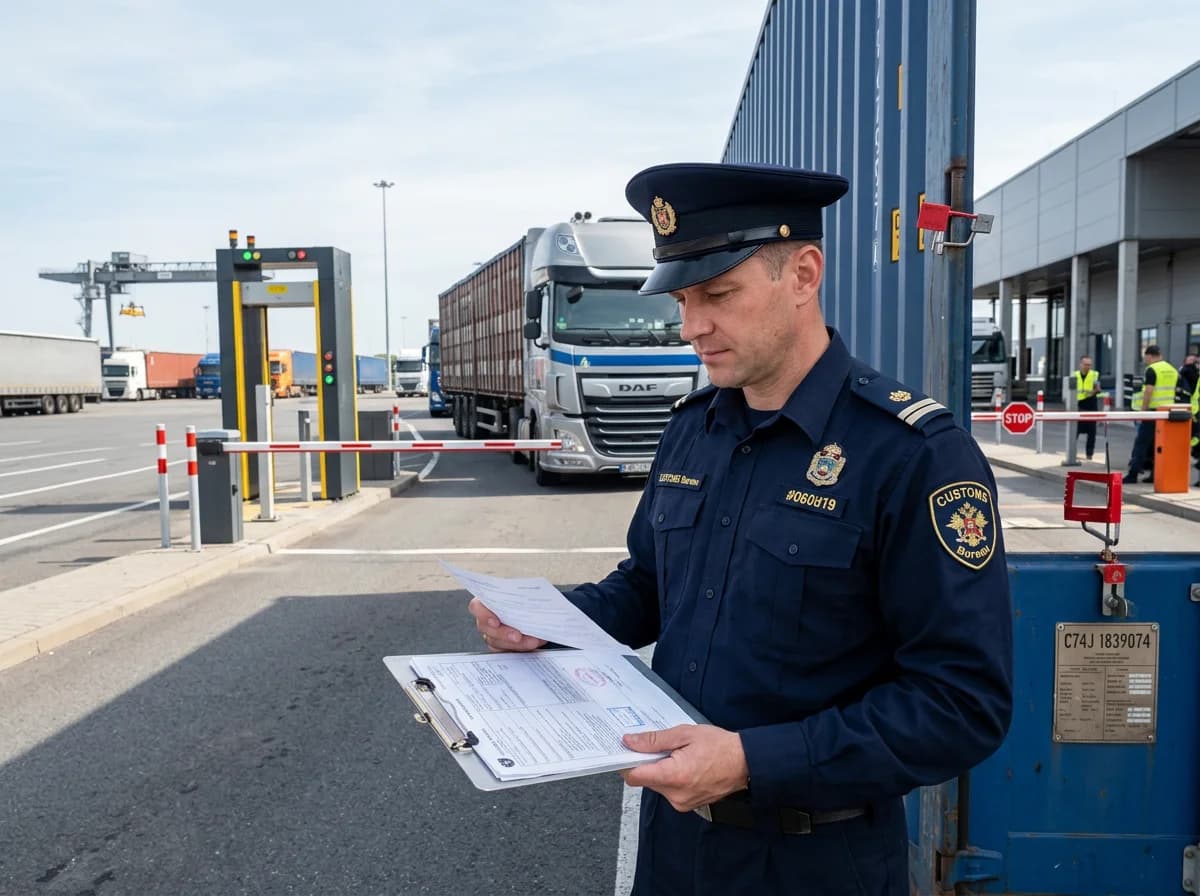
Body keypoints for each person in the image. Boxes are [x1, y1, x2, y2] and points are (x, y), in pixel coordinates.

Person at [467, 162, 1014, 895]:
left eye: (719, 294)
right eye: (684, 298)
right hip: (677, 849)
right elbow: (651, 585)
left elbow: (962, 702)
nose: (693, 327)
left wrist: (754, 761)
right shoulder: (695, 429)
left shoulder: (912, 454)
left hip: (817, 862)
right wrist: (549, 621)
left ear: (804, 274)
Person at [1123, 345, 1177, 484]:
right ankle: (1154, 475)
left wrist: (1143, 412)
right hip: (1167, 412)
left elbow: (1148, 391)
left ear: (1149, 355)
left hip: (1153, 412)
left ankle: (1133, 474)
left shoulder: (1152, 369)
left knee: (1142, 443)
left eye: (1145, 357)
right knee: (1158, 445)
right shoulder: (1172, 370)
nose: (1145, 360)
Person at [1072, 354, 1102, 460]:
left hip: (1091, 405)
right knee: (1075, 431)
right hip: (1078, 406)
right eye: (1085, 364)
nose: (1087, 367)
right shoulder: (1074, 375)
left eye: (1089, 365)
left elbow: (1098, 388)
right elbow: (1070, 390)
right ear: (1080, 364)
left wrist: (1093, 391)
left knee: (1091, 433)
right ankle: (1071, 453)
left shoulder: (1094, 375)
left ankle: (1089, 454)